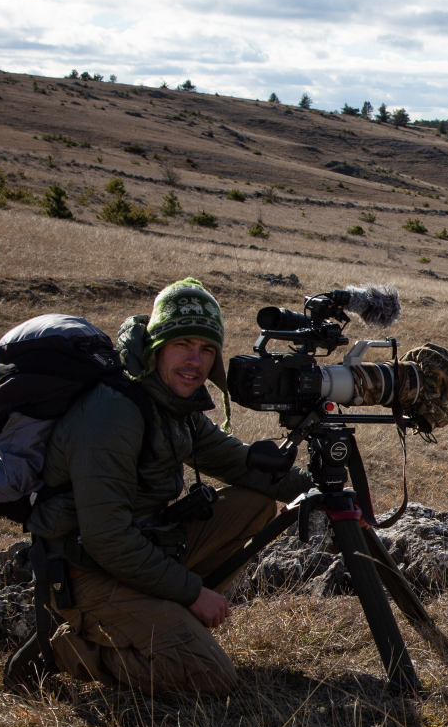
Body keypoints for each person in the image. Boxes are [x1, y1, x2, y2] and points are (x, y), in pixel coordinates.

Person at [23, 278, 312, 696]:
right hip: (86, 569)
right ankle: (67, 651)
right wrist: (193, 592)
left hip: (145, 548)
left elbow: (237, 463)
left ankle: (165, 617)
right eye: (184, 344)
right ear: (157, 345)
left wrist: (321, 493)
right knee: (211, 676)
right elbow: (108, 538)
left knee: (255, 502)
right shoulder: (113, 413)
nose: (195, 361)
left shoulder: (175, 404)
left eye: (207, 349)